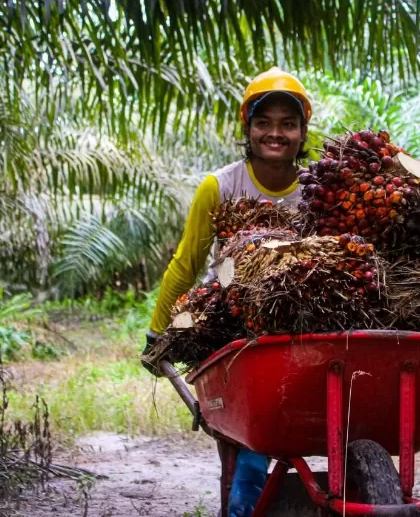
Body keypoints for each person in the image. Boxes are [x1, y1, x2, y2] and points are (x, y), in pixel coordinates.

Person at [142, 66, 312, 516]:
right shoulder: (219, 187)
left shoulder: (318, 192)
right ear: (248, 128)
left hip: (301, 325)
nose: (275, 133)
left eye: (287, 123)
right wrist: (159, 331)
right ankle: (241, 496)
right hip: (231, 326)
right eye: (264, 122)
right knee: (241, 437)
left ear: (302, 131)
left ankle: (245, 500)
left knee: (260, 428)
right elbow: (187, 265)